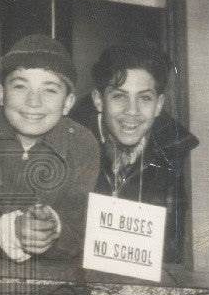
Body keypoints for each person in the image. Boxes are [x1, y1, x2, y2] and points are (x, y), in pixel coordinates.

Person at [0, 34, 100, 261]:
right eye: (21, 86)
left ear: (68, 103)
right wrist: (11, 228)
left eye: (50, 90)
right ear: (2, 94)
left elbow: (81, 223)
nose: (34, 102)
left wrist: (54, 225)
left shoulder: (83, 144)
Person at [70, 43, 198, 263]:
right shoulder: (69, 145)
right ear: (99, 100)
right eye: (119, 96)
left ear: (158, 105)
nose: (132, 111)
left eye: (144, 98)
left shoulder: (172, 153)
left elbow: (170, 252)